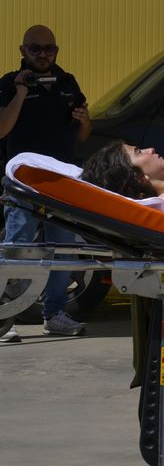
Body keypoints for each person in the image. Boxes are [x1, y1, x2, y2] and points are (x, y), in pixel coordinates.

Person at [0, 25, 91, 341]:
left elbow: (82, 135)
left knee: (64, 247)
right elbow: (2, 129)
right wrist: (22, 91)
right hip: (23, 179)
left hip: (62, 179)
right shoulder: (9, 84)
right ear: (22, 51)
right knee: (17, 246)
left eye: (48, 49)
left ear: (56, 50)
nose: (42, 54)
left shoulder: (68, 83)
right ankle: (5, 319)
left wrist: (84, 121)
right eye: (35, 49)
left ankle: (54, 314)